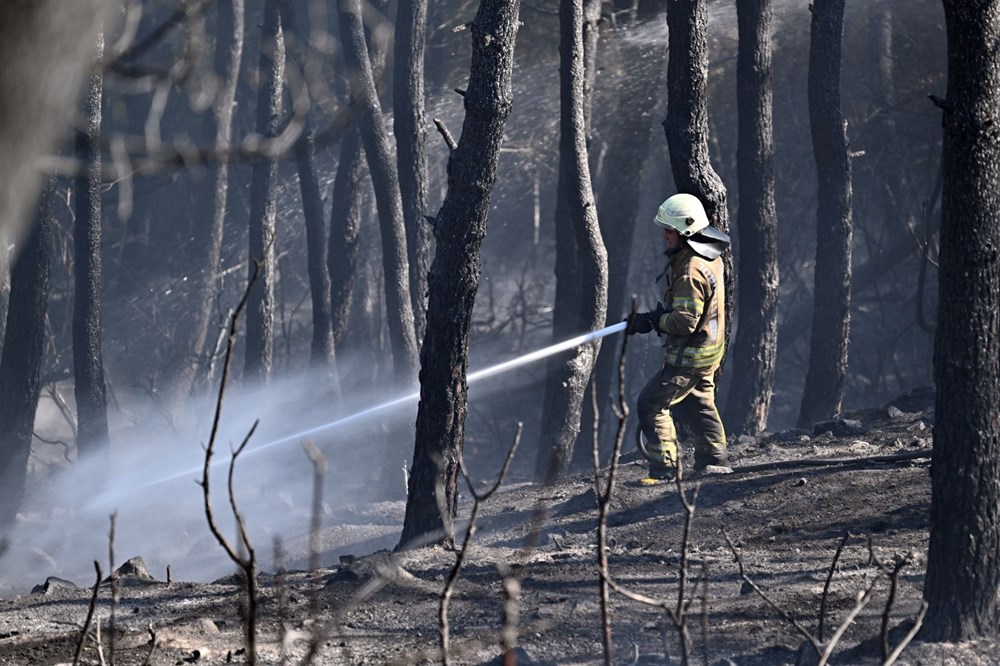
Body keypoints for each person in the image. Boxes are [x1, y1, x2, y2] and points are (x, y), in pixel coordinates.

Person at [627, 193, 732, 484]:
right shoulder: (709, 256)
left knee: (651, 403)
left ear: (686, 231)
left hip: (690, 355)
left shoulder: (689, 270)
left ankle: (664, 469)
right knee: (700, 403)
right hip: (709, 351)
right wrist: (657, 317)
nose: (665, 236)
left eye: (669, 231)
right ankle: (714, 461)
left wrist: (654, 321)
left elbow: (685, 322)